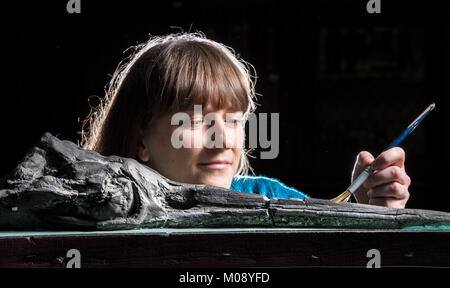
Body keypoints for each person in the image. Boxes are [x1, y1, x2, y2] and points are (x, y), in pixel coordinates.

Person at [80, 32, 411, 208]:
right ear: (141, 141)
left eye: (234, 120)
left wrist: (368, 216)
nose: (224, 140)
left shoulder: (271, 198)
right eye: (196, 121)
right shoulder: (92, 208)